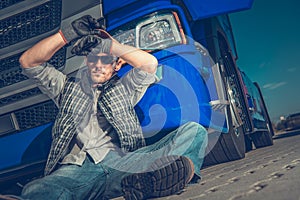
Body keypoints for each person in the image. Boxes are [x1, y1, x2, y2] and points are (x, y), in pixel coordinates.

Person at [4, 15, 208, 200]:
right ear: (87, 61)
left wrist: (109, 44)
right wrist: (67, 35)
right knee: (37, 190)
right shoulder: (66, 87)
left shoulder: (125, 87)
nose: (99, 65)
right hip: (77, 169)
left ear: (117, 65)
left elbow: (149, 64)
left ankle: (152, 182)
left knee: (194, 132)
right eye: (94, 58)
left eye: (106, 60)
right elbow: (28, 62)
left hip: (126, 164)